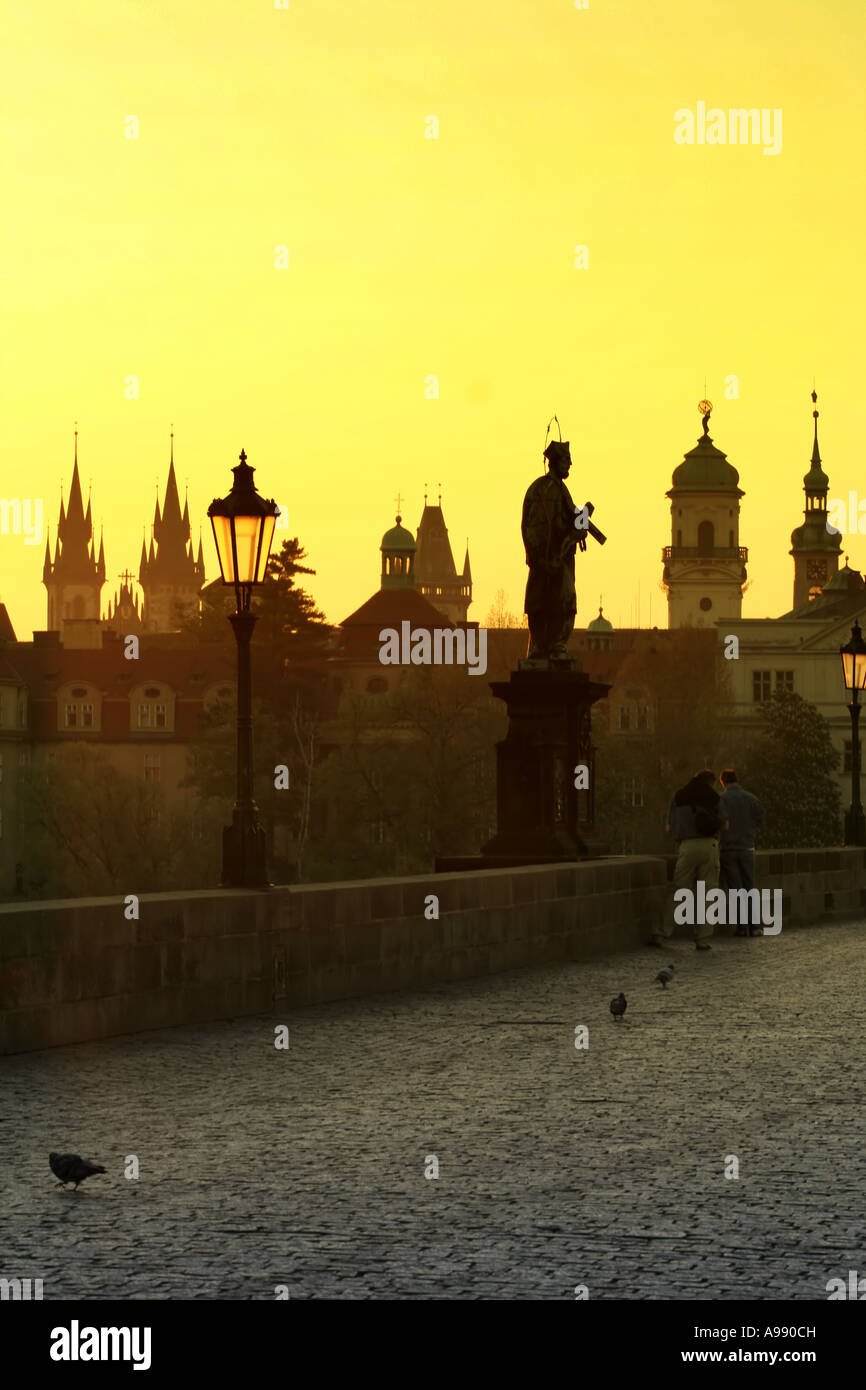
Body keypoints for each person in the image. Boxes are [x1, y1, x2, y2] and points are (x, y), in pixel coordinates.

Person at [521, 439, 585, 660]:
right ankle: (544, 646)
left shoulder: (560, 489)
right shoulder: (543, 489)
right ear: (555, 462)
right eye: (567, 460)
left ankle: (557, 645)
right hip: (547, 559)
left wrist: (579, 528)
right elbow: (537, 525)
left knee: (566, 601)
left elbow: (568, 520)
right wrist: (541, 557)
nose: (570, 464)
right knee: (542, 602)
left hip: (562, 559)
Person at [650, 769, 726, 951]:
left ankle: (661, 933)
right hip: (709, 846)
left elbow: (669, 825)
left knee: (678, 890)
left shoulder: (678, 796)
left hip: (686, 846)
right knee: (707, 894)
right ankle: (702, 938)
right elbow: (725, 823)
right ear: (710, 782)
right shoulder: (714, 797)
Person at [718, 768, 764, 937]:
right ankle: (755, 926)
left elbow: (718, 821)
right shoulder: (751, 799)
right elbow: (760, 819)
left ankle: (742, 926)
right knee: (749, 887)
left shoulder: (721, 799)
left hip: (729, 848)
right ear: (737, 780)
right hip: (747, 847)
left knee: (736, 889)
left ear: (723, 782)